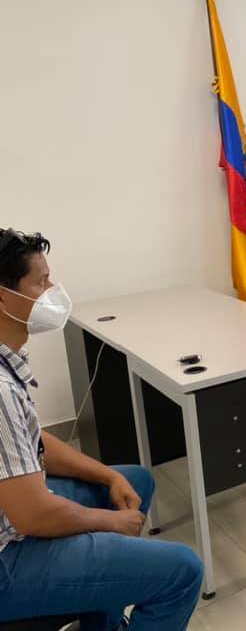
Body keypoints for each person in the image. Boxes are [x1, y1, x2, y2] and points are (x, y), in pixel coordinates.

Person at [0, 228, 203, 630]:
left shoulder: (7, 360)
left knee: (134, 480)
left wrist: (108, 475)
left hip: (15, 515)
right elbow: (32, 516)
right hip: (8, 558)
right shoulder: (0, 389)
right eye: (41, 282)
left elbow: (33, 440)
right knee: (183, 571)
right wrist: (106, 522)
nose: (53, 291)